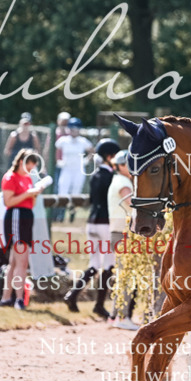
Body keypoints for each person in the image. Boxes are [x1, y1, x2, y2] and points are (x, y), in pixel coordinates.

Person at [0, 150, 44, 308]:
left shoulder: (27, 179)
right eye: (29, 164)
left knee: (14, 262)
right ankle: (18, 298)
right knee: (22, 262)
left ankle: (5, 298)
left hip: (26, 216)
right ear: (21, 162)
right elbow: (8, 202)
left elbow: (31, 203)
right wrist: (27, 193)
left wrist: (34, 194)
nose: (32, 168)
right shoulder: (10, 177)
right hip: (16, 216)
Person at [85, 138, 122, 320]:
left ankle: (72, 295)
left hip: (91, 221)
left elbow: (91, 199)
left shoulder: (94, 175)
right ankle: (99, 305)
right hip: (105, 224)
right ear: (109, 157)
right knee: (108, 265)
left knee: (93, 264)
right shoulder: (112, 178)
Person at [107, 150, 138, 330]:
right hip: (123, 233)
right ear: (120, 166)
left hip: (119, 232)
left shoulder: (118, 180)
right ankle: (121, 316)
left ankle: (115, 316)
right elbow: (132, 203)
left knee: (123, 275)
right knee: (126, 276)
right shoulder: (123, 182)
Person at [53, 117, 94, 222]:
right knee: (63, 190)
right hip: (66, 169)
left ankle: (72, 214)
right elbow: (57, 150)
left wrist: (86, 160)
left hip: (78, 170)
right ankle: (60, 215)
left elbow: (92, 151)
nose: (73, 131)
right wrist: (58, 161)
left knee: (76, 191)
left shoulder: (82, 141)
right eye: (72, 128)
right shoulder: (64, 140)